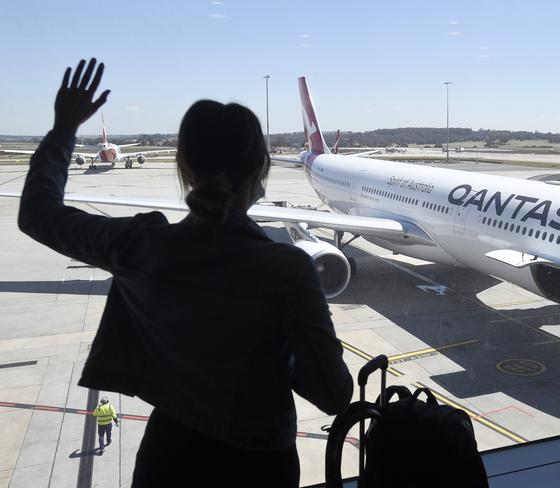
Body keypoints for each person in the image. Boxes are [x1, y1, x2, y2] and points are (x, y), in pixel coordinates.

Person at [18, 59, 353, 487]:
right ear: (260, 172)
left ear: (186, 169)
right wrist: (281, 350)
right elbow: (334, 395)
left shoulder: (143, 245)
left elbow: (38, 213)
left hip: (169, 457)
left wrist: (64, 128)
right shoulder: (286, 270)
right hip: (256, 465)